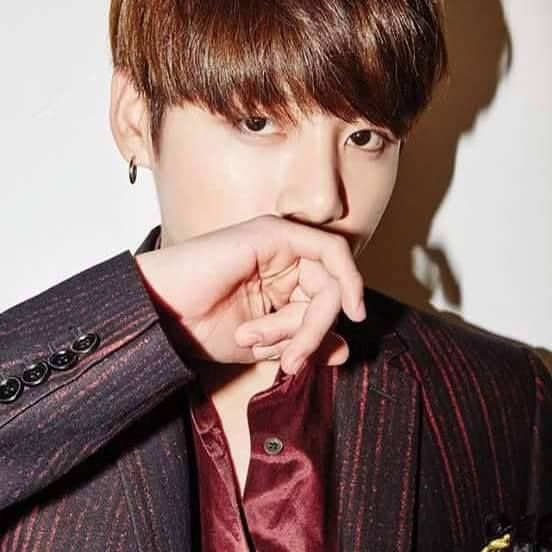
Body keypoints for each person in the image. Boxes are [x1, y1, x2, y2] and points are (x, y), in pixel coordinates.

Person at [0, 0, 550, 550]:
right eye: (258, 123)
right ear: (136, 120)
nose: (321, 199)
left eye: (364, 137)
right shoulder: (34, 400)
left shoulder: (504, 401)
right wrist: (144, 318)